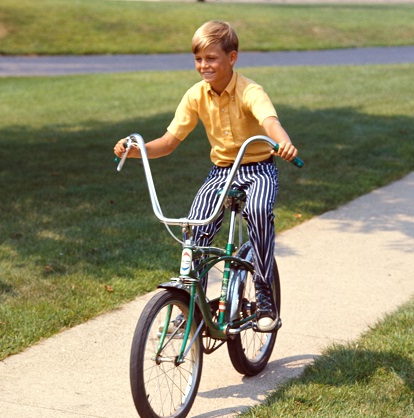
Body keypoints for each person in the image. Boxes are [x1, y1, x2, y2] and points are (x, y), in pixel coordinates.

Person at [114, 20, 298, 332]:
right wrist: (136, 150)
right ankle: (188, 301)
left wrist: (283, 142)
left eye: (211, 58)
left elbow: (269, 122)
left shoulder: (250, 91)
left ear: (232, 58)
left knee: (258, 211)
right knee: (194, 228)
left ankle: (265, 293)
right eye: (199, 59)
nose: (204, 66)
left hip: (259, 168)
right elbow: (169, 142)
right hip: (221, 172)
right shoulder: (195, 95)